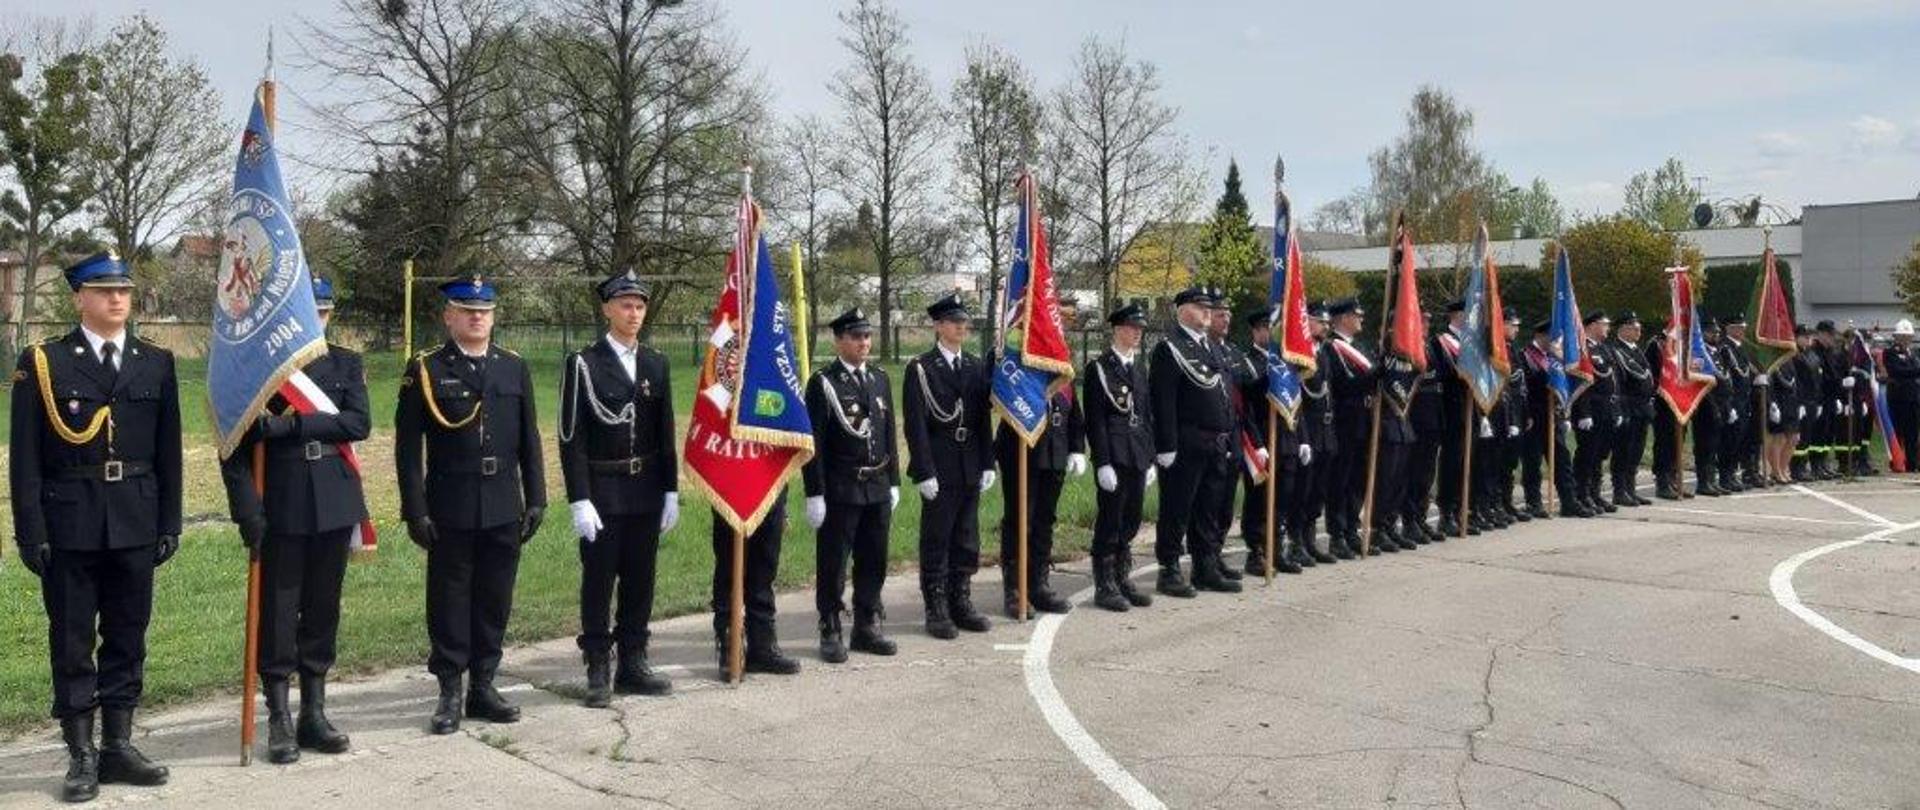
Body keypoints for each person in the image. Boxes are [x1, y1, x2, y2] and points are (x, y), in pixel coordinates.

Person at [10, 252, 180, 802]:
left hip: (135, 514)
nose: (117, 299)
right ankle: (81, 753)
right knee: (73, 640)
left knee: (129, 635)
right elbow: (26, 460)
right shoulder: (44, 363)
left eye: (124, 290)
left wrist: (169, 519)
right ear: (78, 297)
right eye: (104, 290)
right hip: (70, 522)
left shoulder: (156, 362)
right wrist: (30, 530)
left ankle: (119, 746)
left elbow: (167, 450)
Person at [218, 276, 367, 763]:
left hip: (332, 498)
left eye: (322, 313)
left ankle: (314, 713)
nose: (315, 321)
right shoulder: (259, 370)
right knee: (279, 614)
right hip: (279, 500)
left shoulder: (346, 362)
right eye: (308, 312)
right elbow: (234, 450)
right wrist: (247, 510)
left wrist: (290, 425)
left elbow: (357, 423)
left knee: (323, 609)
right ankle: (279, 717)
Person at [395, 276, 547, 735]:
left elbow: (530, 439)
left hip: (503, 500)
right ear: (448, 316)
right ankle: (449, 691)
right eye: (466, 309)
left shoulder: (512, 367)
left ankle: (484, 685)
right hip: (451, 503)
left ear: (494, 315)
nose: (477, 316)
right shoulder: (425, 368)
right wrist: (415, 510)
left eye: (484, 310)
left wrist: (536, 496)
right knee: (449, 599)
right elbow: (407, 448)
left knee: (494, 598)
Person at [557, 271, 685, 705]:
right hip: (603, 489)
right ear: (607, 309)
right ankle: (597, 662)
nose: (634, 313)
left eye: (640, 306)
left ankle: (633, 660)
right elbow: (570, 438)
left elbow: (664, 433)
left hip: (645, 487)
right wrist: (579, 498)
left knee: (640, 579)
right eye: (626, 305)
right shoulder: (584, 364)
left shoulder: (655, 363)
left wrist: (670, 489)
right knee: (599, 579)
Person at [801, 308, 901, 661]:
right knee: (834, 561)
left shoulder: (878, 378)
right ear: (839, 340)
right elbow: (814, 443)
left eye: (867, 336)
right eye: (856, 336)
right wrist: (815, 492)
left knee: (874, 558)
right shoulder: (824, 383)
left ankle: (866, 624)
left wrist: (894, 480)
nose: (864, 342)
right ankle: (830, 624)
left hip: (876, 484)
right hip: (842, 488)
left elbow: (888, 433)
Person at [904, 292, 997, 637]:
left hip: (970, 462)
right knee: (937, 538)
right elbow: (915, 425)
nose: (962, 327)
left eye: (964, 322)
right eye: (955, 322)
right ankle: (936, 606)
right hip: (940, 464)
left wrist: (988, 462)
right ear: (939, 326)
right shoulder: (922, 369)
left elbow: (981, 420)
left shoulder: (974, 366)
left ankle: (961, 599)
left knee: (966, 537)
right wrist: (924, 470)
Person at [993, 304, 1088, 616]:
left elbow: (1074, 409)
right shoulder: (1018, 360)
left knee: (1045, 520)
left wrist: (1076, 446)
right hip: (1022, 450)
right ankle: (1015, 589)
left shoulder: (1058, 362)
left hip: (1055, 452)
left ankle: (1039, 583)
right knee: (1020, 519)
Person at [1151, 286, 1241, 595]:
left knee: (1208, 509)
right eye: (1200, 305)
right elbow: (1163, 402)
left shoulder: (1212, 347)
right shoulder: (1170, 347)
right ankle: (1170, 569)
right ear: (1182, 309)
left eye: (1209, 306)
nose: (1207, 311)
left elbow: (1224, 394)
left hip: (1216, 442)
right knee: (1178, 508)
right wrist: (1165, 446)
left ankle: (1205, 567)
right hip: (1186, 443)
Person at [1085, 303, 1158, 611]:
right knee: (1110, 520)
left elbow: (1146, 415)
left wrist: (1151, 457)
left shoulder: (1139, 368)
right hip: (1114, 455)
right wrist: (1102, 462)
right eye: (1132, 328)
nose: (1137, 333)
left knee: (1131, 518)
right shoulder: (1099, 369)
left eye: (1140, 329)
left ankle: (1122, 575)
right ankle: (1105, 584)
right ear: (1117, 330)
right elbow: (1096, 420)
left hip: (1138, 454)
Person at [1236, 306, 1301, 575]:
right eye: (1266, 328)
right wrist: (1257, 443)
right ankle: (1257, 552)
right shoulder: (1246, 361)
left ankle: (1276, 548)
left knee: (1283, 498)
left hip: (1286, 437)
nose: (1270, 333)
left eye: (1274, 328)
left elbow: (1298, 403)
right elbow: (1246, 402)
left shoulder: (1284, 364)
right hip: (1261, 437)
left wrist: (1302, 439)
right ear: (1256, 331)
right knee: (1259, 500)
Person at [1291, 303, 1343, 562]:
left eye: (1326, 323)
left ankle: (1309, 539)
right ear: (1306, 322)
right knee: (1304, 487)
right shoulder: (1300, 354)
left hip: (1326, 429)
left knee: (1319, 488)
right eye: (1320, 322)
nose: (1325, 326)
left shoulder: (1324, 353)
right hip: (1308, 429)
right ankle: (1296, 541)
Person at [1571, 310, 1618, 512]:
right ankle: (1582, 493)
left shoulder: (1604, 349)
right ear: (1591, 325)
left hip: (1606, 409)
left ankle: (1595, 493)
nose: (1607, 328)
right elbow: (1581, 383)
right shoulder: (1583, 349)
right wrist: (1583, 413)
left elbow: (1612, 382)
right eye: (1604, 324)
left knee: (1600, 453)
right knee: (1587, 453)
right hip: (1591, 410)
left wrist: (1615, 410)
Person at [1608, 311, 1655, 507]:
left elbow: (1647, 378)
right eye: (1634, 328)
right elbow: (1618, 383)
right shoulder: (1616, 351)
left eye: (1639, 328)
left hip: (1642, 408)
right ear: (1623, 329)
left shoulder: (1637, 351)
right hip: (1628, 407)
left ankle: (1631, 489)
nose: (1638, 331)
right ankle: (1620, 491)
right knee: (1623, 450)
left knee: (1636, 450)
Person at [1885, 320, 1920, 473]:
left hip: (1913, 398)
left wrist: (1914, 370)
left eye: (1908, 336)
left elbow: (1911, 371)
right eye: (1903, 336)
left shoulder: (1913, 353)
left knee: (1912, 433)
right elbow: (1896, 371)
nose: (1906, 339)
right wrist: (1916, 370)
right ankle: (1898, 462)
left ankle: (1912, 463)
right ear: (1896, 337)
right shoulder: (1890, 352)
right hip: (1898, 399)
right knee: (1898, 432)